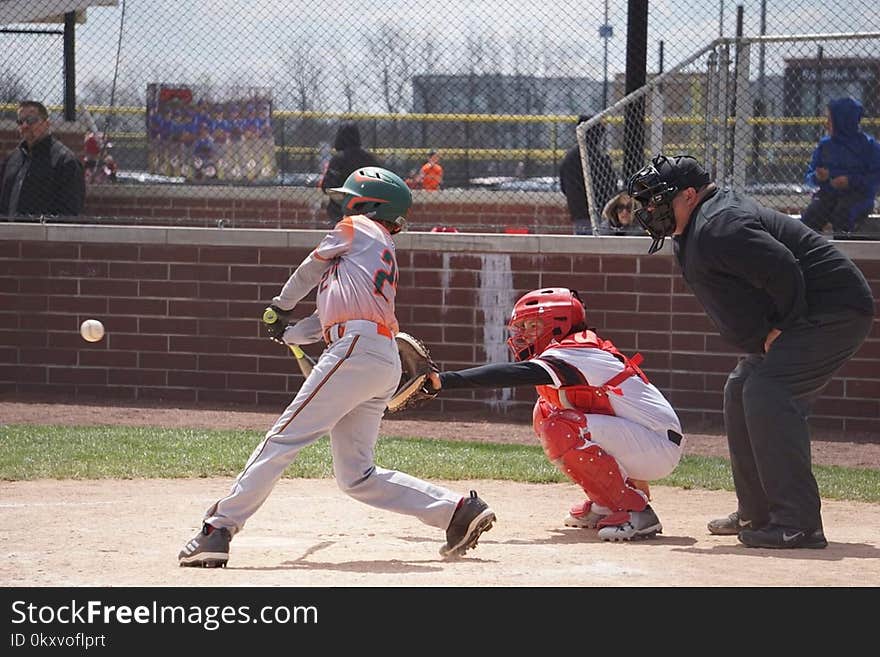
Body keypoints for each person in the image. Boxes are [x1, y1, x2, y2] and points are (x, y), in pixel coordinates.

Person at [178, 166, 496, 567]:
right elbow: (326, 321)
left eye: (350, 198)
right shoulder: (369, 253)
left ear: (367, 203)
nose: (343, 204)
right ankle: (456, 511)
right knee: (357, 475)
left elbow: (309, 269)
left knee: (283, 439)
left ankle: (217, 529)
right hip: (375, 356)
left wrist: (280, 305)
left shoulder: (357, 227)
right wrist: (289, 332)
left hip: (356, 350)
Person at [627, 153, 875, 549]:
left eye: (659, 200)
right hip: (816, 309)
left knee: (769, 391)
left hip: (834, 310)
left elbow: (783, 266)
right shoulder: (698, 224)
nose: (651, 210)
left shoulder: (720, 225)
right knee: (742, 385)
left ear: (690, 195)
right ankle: (758, 513)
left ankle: (797, 523)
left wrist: (783, 324)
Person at [424, 287, 684, 542]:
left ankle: (636, 511)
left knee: (561, 428)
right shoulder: (572, 348)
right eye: (522, 327)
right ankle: (608, 502)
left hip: (657, 445)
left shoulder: (576, 351)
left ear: (558, 324)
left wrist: (443, 381)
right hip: (644, 439)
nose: (523, 335)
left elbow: (510, 374)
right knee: (546, 411)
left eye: (532, 326)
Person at [801, 97, 880, 237]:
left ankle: (845, 251)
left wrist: (850, 181)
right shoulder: (825, 145)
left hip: (858, 197)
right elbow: (809, 177)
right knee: (812, 215)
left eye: (830, 119)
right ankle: (805, 252)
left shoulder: (869, 146)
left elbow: (874, 180)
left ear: (842, 121)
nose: (826, 124)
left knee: (842, 214)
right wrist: (818, 177)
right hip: (829, 196)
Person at [0, 100, 85, 217]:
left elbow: (70, 214)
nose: (25, 126)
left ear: (47, 123)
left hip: (44, 234)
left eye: (31, 120)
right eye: (20, 121)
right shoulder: (11, 160)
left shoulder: (65, 162)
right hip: (10, 233)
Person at [559, 115, 617, 235]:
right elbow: (611, 185)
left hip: (578, 213)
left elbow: (564, 187)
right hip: (599, 211)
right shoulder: (599, 157)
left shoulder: (570, 157)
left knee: (584, 246)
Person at [319, 121, 380, 221]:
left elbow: (327, 186)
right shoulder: (369, 158)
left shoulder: (338, 158)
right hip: (366, 211)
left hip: (340, 212)